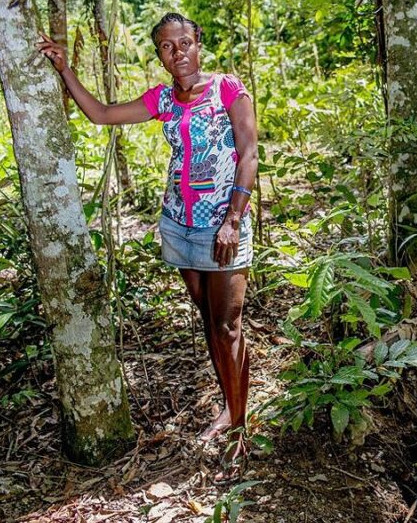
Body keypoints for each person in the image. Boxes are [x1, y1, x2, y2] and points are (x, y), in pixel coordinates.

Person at [37, 13, 257, 479]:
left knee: (227, 327)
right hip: (179, 224)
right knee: (208, 320)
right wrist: (64, 69)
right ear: (159, 55)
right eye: (166, 46)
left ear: (199, 43)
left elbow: (250, 153)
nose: (177, 53)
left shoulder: (228, 89)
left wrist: (234, 219)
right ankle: (229, 406)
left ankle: (240, 429)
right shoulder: (162, 100)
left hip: (224, 225)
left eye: (184, 43)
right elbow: (101, 114)